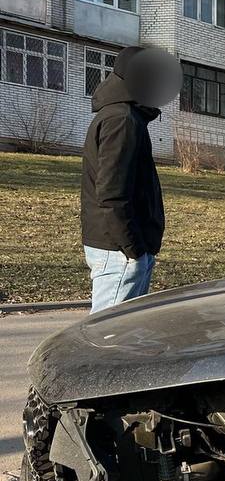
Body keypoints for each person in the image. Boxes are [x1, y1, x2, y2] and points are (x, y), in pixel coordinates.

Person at [81, 45, 182, 313]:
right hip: (119, 252)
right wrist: (132, 250)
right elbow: (112, 194)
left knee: (118, 339)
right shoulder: (122, 120)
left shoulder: (126, 116)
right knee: (107, 340)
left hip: (122, 250)